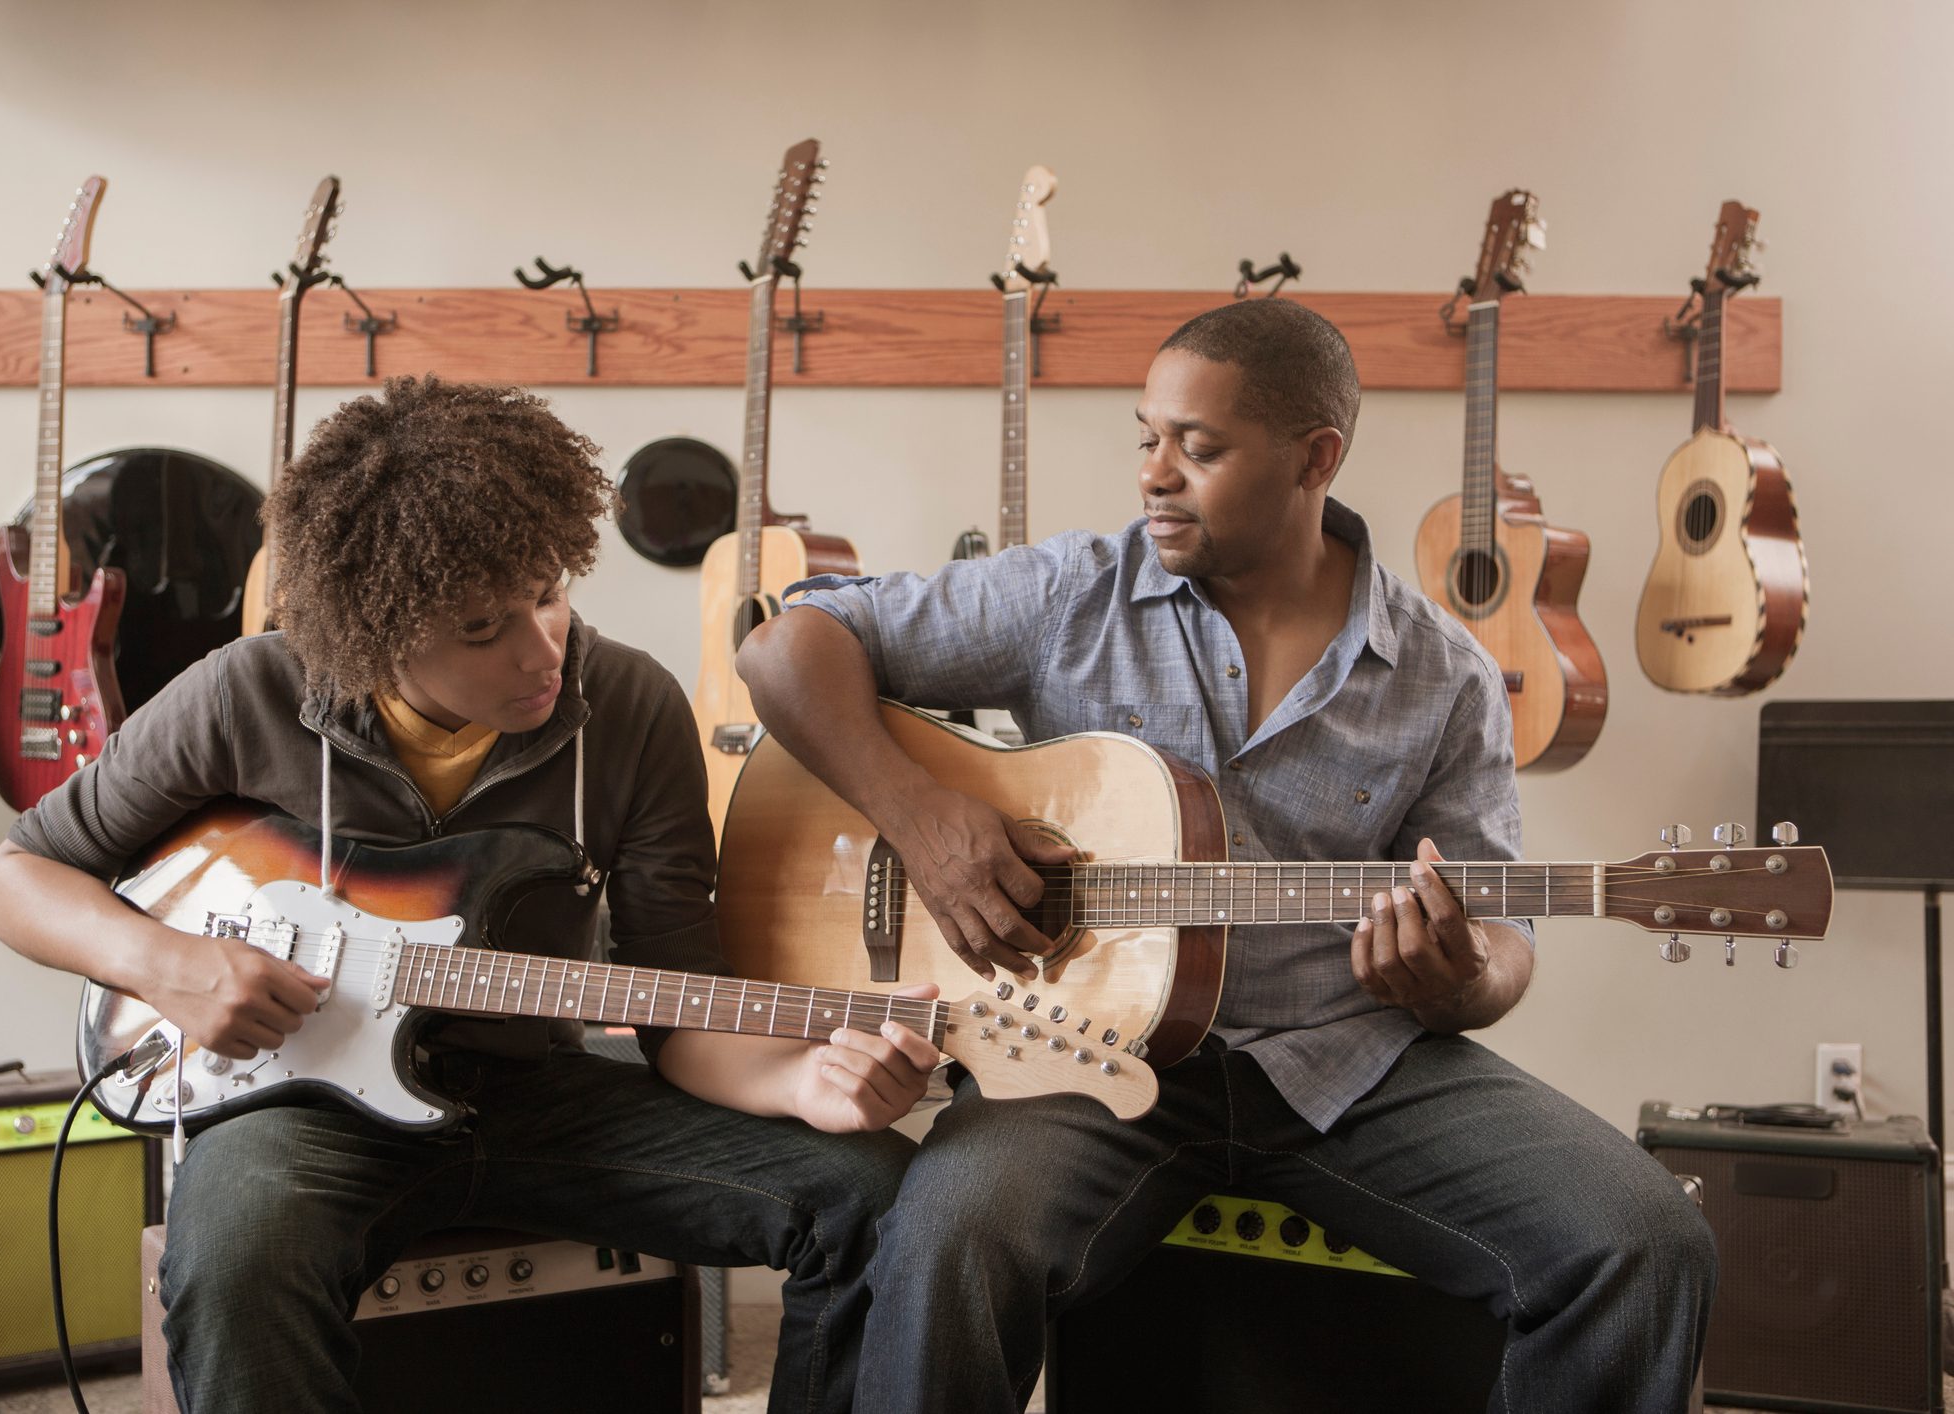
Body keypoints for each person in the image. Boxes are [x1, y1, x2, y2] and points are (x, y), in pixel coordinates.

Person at [736, 299, 1718, 1413]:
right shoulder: (1071, 594)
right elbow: (785, 647)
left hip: (1348, 1064)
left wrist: (1460, 979)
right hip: (1083, 1060)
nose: (1155, 473)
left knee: (1644, 1242)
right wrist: (919, 818)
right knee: (951, 1234)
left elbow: (1501, 941)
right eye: (1146, 436)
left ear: (1315, 458)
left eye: (1196, 448)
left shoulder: (1441, 675)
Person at [0, 375, 938, 1414]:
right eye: (481, 627)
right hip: (304, 1110)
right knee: (236, 1259)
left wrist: (801, 1085)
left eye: (548, 593)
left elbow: (679, 1001)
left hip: (539, 1092)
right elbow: (14, 876)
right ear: (375, 625)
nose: (539, 650)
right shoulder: (244, 692)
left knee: (874, 1188)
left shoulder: (628, 705)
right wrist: (169, 964)